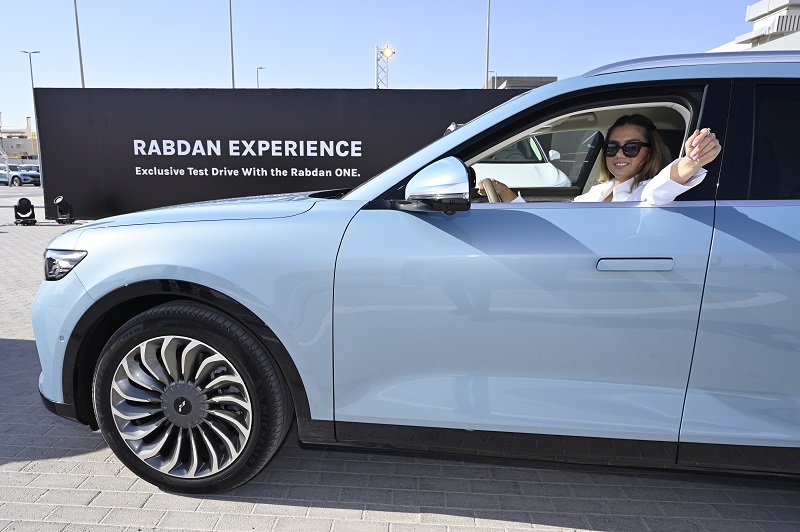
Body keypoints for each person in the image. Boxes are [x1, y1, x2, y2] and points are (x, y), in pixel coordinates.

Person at [477, 114, 721, 205]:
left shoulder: (644, 192)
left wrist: (692, 160)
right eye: (612, 147)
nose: (619, 154)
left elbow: (660, 189)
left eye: (631, 148)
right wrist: (505, 193)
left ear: (649, 152)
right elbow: (563, 220)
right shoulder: (600, 191)